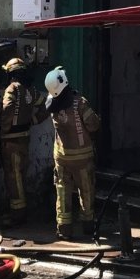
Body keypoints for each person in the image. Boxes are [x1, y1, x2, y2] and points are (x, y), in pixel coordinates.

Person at [39, 66, 101, 239]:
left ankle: (64, 228)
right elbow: (93, 124)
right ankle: (88, 225)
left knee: (62, 190)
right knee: (86, 190)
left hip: (61, 156)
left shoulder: (51, 103)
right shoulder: (79, 102)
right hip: (82, 156)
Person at [0, 57, 40, 226]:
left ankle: (17, 215)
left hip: (11, 141)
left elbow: (8, 108)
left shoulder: (11, 89)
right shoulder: (31, 90)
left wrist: (4, 128)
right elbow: (45, 107)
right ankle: (20, 211)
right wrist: (33, 120)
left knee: (13, 177)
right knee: (20, 175)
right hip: (25, 138)